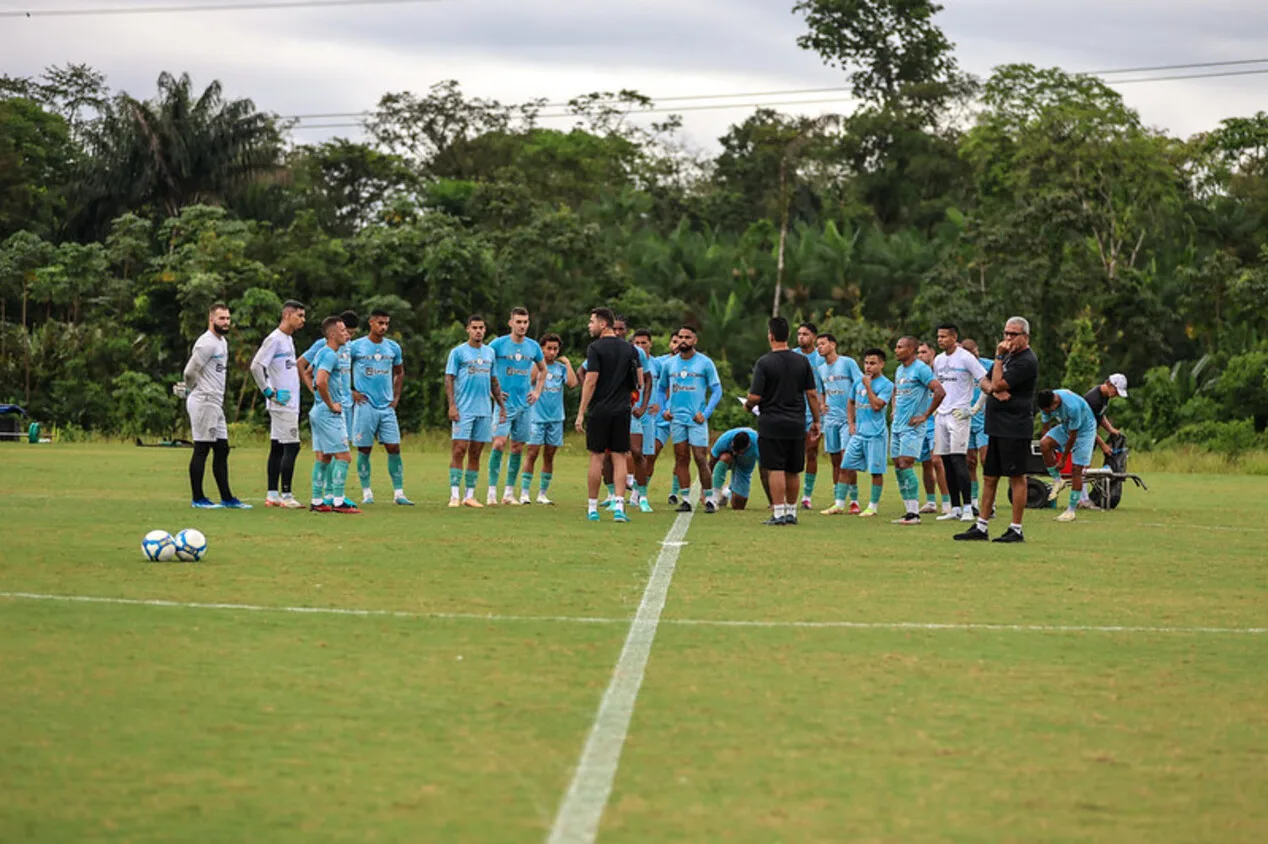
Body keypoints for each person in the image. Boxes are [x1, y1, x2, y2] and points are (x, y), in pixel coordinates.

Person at [956, 317, 1039, 543]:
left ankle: (1016, 529)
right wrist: (993, 389)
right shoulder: (1009, 358)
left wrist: (999, 360)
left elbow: (999, 383)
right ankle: (981, 526)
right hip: (996, 425)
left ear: (1025, 337)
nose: (1008, 339)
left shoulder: (1026, 361)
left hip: (1015, 426)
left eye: (1014, 334)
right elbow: (987, 381)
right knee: (990, 476)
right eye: (1006, 334)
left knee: (1015, 476)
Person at [746, 317, 820, 526]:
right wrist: (816, 421)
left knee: (775, 467)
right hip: (797, 422)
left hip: (772, 422)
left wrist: (748, 406)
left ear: (770, 336)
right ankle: (792, 512)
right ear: (788, 336)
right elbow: (812, 394)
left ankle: (778, 512)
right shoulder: (802, 361)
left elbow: (755, 397)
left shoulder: (764, 362)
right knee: (793, 468)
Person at [176, 303, 250, 509]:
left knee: (222, 448)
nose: (226, 322)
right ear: (211, 319)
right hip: (204, 400)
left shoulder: (222, 342)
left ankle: (227, 498)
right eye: (221, 319)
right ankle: (198, 498)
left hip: (215, 402)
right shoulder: (206, 343)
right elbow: (189, 372)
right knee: (202, 448)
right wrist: (192, 390)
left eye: (228, 318)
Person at [575, 307, 642, 522]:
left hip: (599, 411)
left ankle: (592, 508)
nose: (589, 325)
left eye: (592, 321)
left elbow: (591, 380)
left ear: (603, 324)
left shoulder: (595, 348)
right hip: (622, 410)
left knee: (596, 457)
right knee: (620, 457)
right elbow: (638, 382)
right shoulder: (631, 350)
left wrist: (581, 412)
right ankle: (619, 507)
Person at [349, 309, 412, 506]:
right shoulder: (356, 346)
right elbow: (340, 370)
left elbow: (399, 372)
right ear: (371, 323)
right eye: (380, 323)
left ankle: (399, 493)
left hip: (386, 406)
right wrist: (351, 392)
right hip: (365, 404)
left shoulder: (393, 347)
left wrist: (396, 396)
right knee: (364, 449)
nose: (384, 327)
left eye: (386, 323)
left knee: (394, 447)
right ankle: (367, 492)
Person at [659, 325, 723, 513]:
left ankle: (709, 498)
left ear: (695, 340)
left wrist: (706, 413)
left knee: (700, 457)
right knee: (681, 457)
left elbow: (717, 390)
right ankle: (685, 498)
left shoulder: (705, 363)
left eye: (688, 337)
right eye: (680, 337)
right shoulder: (669, 364)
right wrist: (664, 409)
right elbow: (661, 389)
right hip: (676, 418)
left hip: (696, 419)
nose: (683, 341)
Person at [487, 308, 546, 506]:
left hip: (525, 405)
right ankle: (491, 492)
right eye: (518, 322)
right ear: (510, 322)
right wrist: (491, 391)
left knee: (518, 446)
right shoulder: (498, 344)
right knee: (499, 443)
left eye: (525, 322)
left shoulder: (533, 347)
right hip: (504, 404)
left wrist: (537, 391)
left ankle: (509, 493)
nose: (522, 326)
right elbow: (485, 366)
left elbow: (543, 370)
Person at [445, 315, 506, 508]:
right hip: (464, 409)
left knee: (476, 452)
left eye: (481, 327)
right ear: (468, 329)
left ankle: (469, 495)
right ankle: (454, 494)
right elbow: (449, 379)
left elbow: (494, 381)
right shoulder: (458, 352)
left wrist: (501, 406)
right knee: (459, 449)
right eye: (474, 327)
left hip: (484, 410)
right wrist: (452, 405)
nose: (478, 331)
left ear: (485, 330)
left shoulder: (489, 353)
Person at [249, 299, 305, 509]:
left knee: (278, 447)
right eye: (299, 315)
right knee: (293, 446)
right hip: (283, 404)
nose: (303, 320)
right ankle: (287, 495)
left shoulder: (288, 339)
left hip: (288, 402)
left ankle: (273, 494)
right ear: (286, 315)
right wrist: (268, 391)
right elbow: (256, 366)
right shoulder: (274, 339)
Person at [932, 323, 990, 523]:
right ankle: (954, 507)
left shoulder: (966, 357)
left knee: (959, 460)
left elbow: (985, 381)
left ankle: (968, 507)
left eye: (944, 336)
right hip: (942, 415)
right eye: (938, 337)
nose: (940, 340)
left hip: (959, 415)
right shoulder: (938, 360)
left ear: (954, 337)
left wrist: (974, 408)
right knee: (946, 461)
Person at [890, 337, 945, 525]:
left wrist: (925, 415)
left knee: (906, 462)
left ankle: (914, 514)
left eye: (900, 347)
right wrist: (894, 410)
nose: (896, 350)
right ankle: (909, 511)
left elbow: (940, 391)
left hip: (913, 427)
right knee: (898, 464)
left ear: (912, 349)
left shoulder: (921, 369)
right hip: (898, 425)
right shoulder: (899, 370)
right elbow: (896, 391)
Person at [309, 316, 359, 514]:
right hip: (328, 412)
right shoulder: (330, 354)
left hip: (317, 411)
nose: (346, 333)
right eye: (342, 330)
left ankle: (317, 500)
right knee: (344, 457)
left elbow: (311, 375)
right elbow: (321, 381)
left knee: (323, 457)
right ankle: (338, 502)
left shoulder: (322, 352)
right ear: (331, 334)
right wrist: (331, 404)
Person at [522, 333, 577, 505]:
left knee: (549, 455)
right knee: (532, 453)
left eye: (555, 349)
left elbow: (573, 383)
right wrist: (539, 363)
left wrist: (567, 363)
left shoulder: (560, 369)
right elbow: (529, 380)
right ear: (542, 349)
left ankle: (542, 493)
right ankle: (524, 492)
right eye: (549, 349)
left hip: (555, 418)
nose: (552, 352)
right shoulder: (535, 365)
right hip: (536, 417)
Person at [814, 333, 865, 515]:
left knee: (847, 458)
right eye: (817, 344)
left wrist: (858, 407)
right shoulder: (820, 369)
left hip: (847, 419)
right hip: (831, 419)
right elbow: (820, 391)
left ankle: (854, 500)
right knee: (835, 460)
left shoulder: (847, 363)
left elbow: (862, 383)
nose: (819, 347)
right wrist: (821, 404)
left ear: (833, 344)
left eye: (822, 343)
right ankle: (838, 500)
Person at [843, 348, 894, 518]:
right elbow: (850, 402)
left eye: (872, 363)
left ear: (881, 364)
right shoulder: (858, 382)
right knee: (846, 465)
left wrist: (869, 387)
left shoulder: (887, 385)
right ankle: (842, 503)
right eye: (866, 363)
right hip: (859, 433)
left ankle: (873, 506)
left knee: (876, 472)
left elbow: (877, 405)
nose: (868, 367)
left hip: (876, 435)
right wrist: (851, 423)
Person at [299, 309, 359, 446]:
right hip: (329, 406)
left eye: (352, 333)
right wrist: (317, 393)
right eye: (346, 332)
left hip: (345, 404)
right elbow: (302, 366)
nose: (348, 336)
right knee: (338, 454)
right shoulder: (324, 346)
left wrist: (354, 391)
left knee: (337, 451)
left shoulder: (348, 346)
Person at [1038, 389, 1099, 522]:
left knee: (1076, 470)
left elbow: (1073, 436)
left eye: (1048, 411)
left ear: (1054, 404)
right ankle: (1058, 480)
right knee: (1044, 444)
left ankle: (1071, 511)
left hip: (1084, 431)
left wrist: (1063, 459)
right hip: (1066, 427)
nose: (1047, 413)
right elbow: (1045, 428)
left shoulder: (1072, 407)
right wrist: (1049, 451)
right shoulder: (1046, 401)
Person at [1078, 373, 1129, 509]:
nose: (1116, 395)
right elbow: (1087, 426)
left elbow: (1100, 416)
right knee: (1082, 466)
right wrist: (1103, 445)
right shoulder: (1094, 399)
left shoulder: (1104, 397)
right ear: (1109, 384)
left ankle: (1083, 498)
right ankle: (1082, 500)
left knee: (1085, 465)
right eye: (1116, 391)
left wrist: (1111, 429)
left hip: (1088, 434)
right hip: (1082, 435)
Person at [960, 338, 994, 513]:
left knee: (986, 459)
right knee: (969, 462)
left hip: (984, 419)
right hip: (965, 419)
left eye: (975, 352)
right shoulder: (960, 367)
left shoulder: (988, 365)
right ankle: (973, 501)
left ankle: (991, 504)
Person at [793, 322, 824, 509]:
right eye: (799, 334)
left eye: (805, 334)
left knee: (811, 451)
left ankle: (807, 495)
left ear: (814, 336)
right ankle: (789, 495)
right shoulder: (792, 355)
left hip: (814, 412)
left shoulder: (820, 358)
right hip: (794, 411)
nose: (801, 337)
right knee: (793, 453)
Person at [916, 340, 948, 515]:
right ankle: (930, 501)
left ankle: (946, 501)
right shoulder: (914, 372)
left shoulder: (940, 371)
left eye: (924, 352)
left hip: (937, 421)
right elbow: (897, 390)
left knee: (937, 460)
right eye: (918, 353)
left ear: (932, 353)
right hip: (920, 422)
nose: (921, 356)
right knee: (926, 464)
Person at [629, 329, 659, 511]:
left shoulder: (656, 363)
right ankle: (618, 495)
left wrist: (658, 404)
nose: (640, 346)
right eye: (637, 343)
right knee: (626, 452)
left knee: (643, 453)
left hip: (645, 414)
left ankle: (640, 494)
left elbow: (659, 385)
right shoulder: (625, 355)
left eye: (643, 343)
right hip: (625, 411)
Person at [653, 331, 683, 504]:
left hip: (681, 416)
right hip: (662, 416)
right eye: (674, 341)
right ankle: (639, 492)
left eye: (681, 341)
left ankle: (674, 492)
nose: (677, 345)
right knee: (652, 452)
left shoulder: (691, 364)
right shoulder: (660, 362)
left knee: (681, 455)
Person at [709, 427, 759, 510]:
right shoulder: (725, 439)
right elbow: (711, 463)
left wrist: (772, 502)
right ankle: (715, 496)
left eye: (739, 451)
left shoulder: (758, 444)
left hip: (744, 467)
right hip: (728, 460)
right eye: (734, 449)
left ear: (748, 446)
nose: (735, 453)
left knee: (738, 506)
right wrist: (705, 491)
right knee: (726, 457)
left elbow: (765, 471)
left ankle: (726, 492)